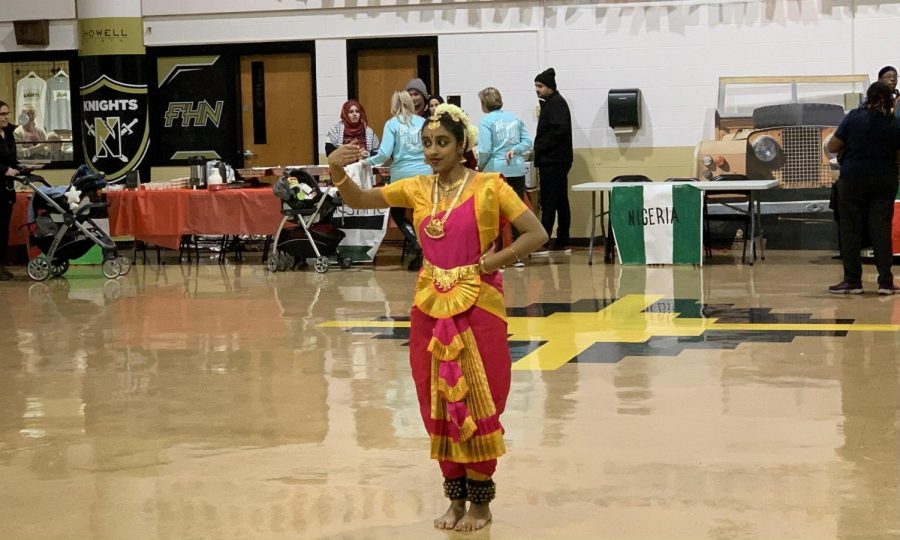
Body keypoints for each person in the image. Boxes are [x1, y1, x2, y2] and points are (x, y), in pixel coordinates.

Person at [327, 103, 547, 532]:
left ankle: (481, 503)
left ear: (462, 143)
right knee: (437, 399)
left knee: (481, 397)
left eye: (441, 142)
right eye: (427, 142)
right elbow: (359, 198)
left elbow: (536, 233)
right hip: (429, 307)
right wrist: (335, 170)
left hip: (479, 305)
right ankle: (455, 497)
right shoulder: (415, 188)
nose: (432, 150)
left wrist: (491, 263)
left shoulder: (490, 187)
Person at [827, 82, 900, 295]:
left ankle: (852, 281)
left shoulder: (853, 118)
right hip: (884, 180)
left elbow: (832, 147)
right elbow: (898, 158)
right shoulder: (895, 124)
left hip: (852, 180)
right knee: (881, 230)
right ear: (889, 99)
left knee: (850, 229)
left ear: (868, 97)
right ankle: (885, 282)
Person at [365, 91, 431, 270]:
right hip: (426, 174)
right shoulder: (423, 122)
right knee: (424, 212)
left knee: (398, 213)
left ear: (394, 105)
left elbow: (384, 154)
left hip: (402, 175)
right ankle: (427, 249)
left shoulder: (392, 124)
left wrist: (366, 162)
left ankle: (414, 241)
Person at [476, 87, 532, 266]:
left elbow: (484, 149)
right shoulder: (515, 119)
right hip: (516, 169)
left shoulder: (485, 121)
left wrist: (480, 166)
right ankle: (518, 256)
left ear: (484, 103)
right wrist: (515, 150)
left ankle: (497, 255)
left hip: (495, 172)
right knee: (517, 211)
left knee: (494, 213)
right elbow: (528, 142)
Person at [532, 67, 573, 254]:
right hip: (557, 160)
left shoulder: (555, 104)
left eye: (540, 86)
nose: (537, 90)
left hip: (553, 160)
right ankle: (562, 239)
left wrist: (540, 147)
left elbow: (559, 131)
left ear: (549, 87)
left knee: (550, 202)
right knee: (560, 201)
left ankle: (544, 240)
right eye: (536, 86)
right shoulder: (553, 103)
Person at [0, 101, 21, 280]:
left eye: (7, 113)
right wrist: (3, 169)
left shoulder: (8, 134)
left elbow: (12, 158)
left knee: (4, 227)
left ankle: (2, 263)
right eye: (2, 114)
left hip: (7, 188)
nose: (6, 116)